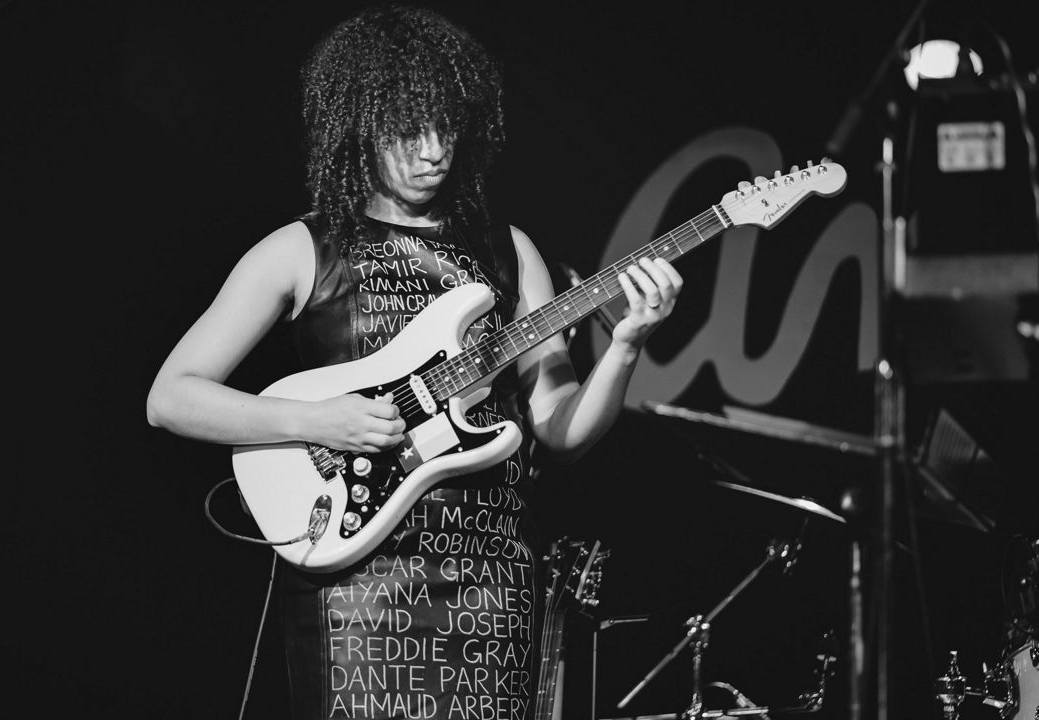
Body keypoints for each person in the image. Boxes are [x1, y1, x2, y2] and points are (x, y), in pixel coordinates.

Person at [146, 5, 682, 718]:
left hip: (492, 586)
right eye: (410, 129)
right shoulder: (302, 250)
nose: (434, 151)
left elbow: (562, 431)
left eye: (447, 127)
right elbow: (171, 398)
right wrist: (319, 421)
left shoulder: (508, 250)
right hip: (358, 588)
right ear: (362, 125)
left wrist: (626, 346)